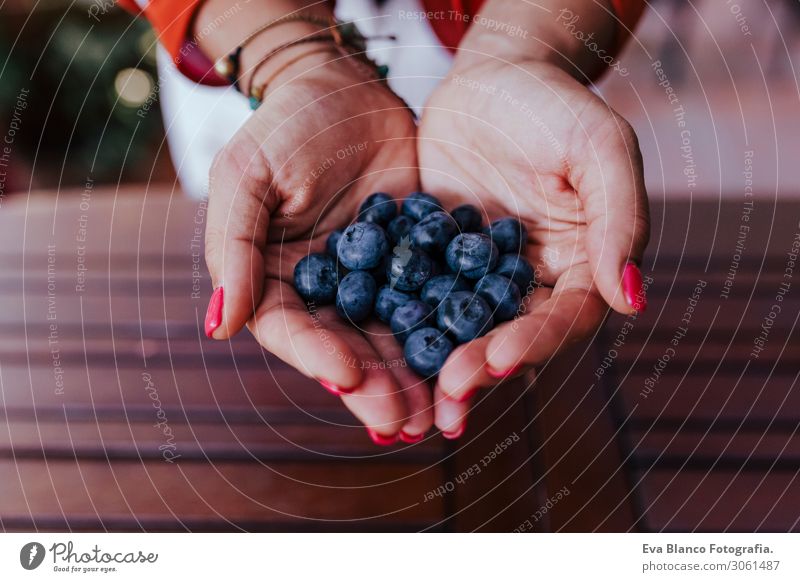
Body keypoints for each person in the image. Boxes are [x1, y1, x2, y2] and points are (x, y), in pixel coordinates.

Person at [119, 0, 650, 445]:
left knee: (534, 420)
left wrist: (522, 47)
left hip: (498, 72)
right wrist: (289, 61)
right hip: (255, 51)